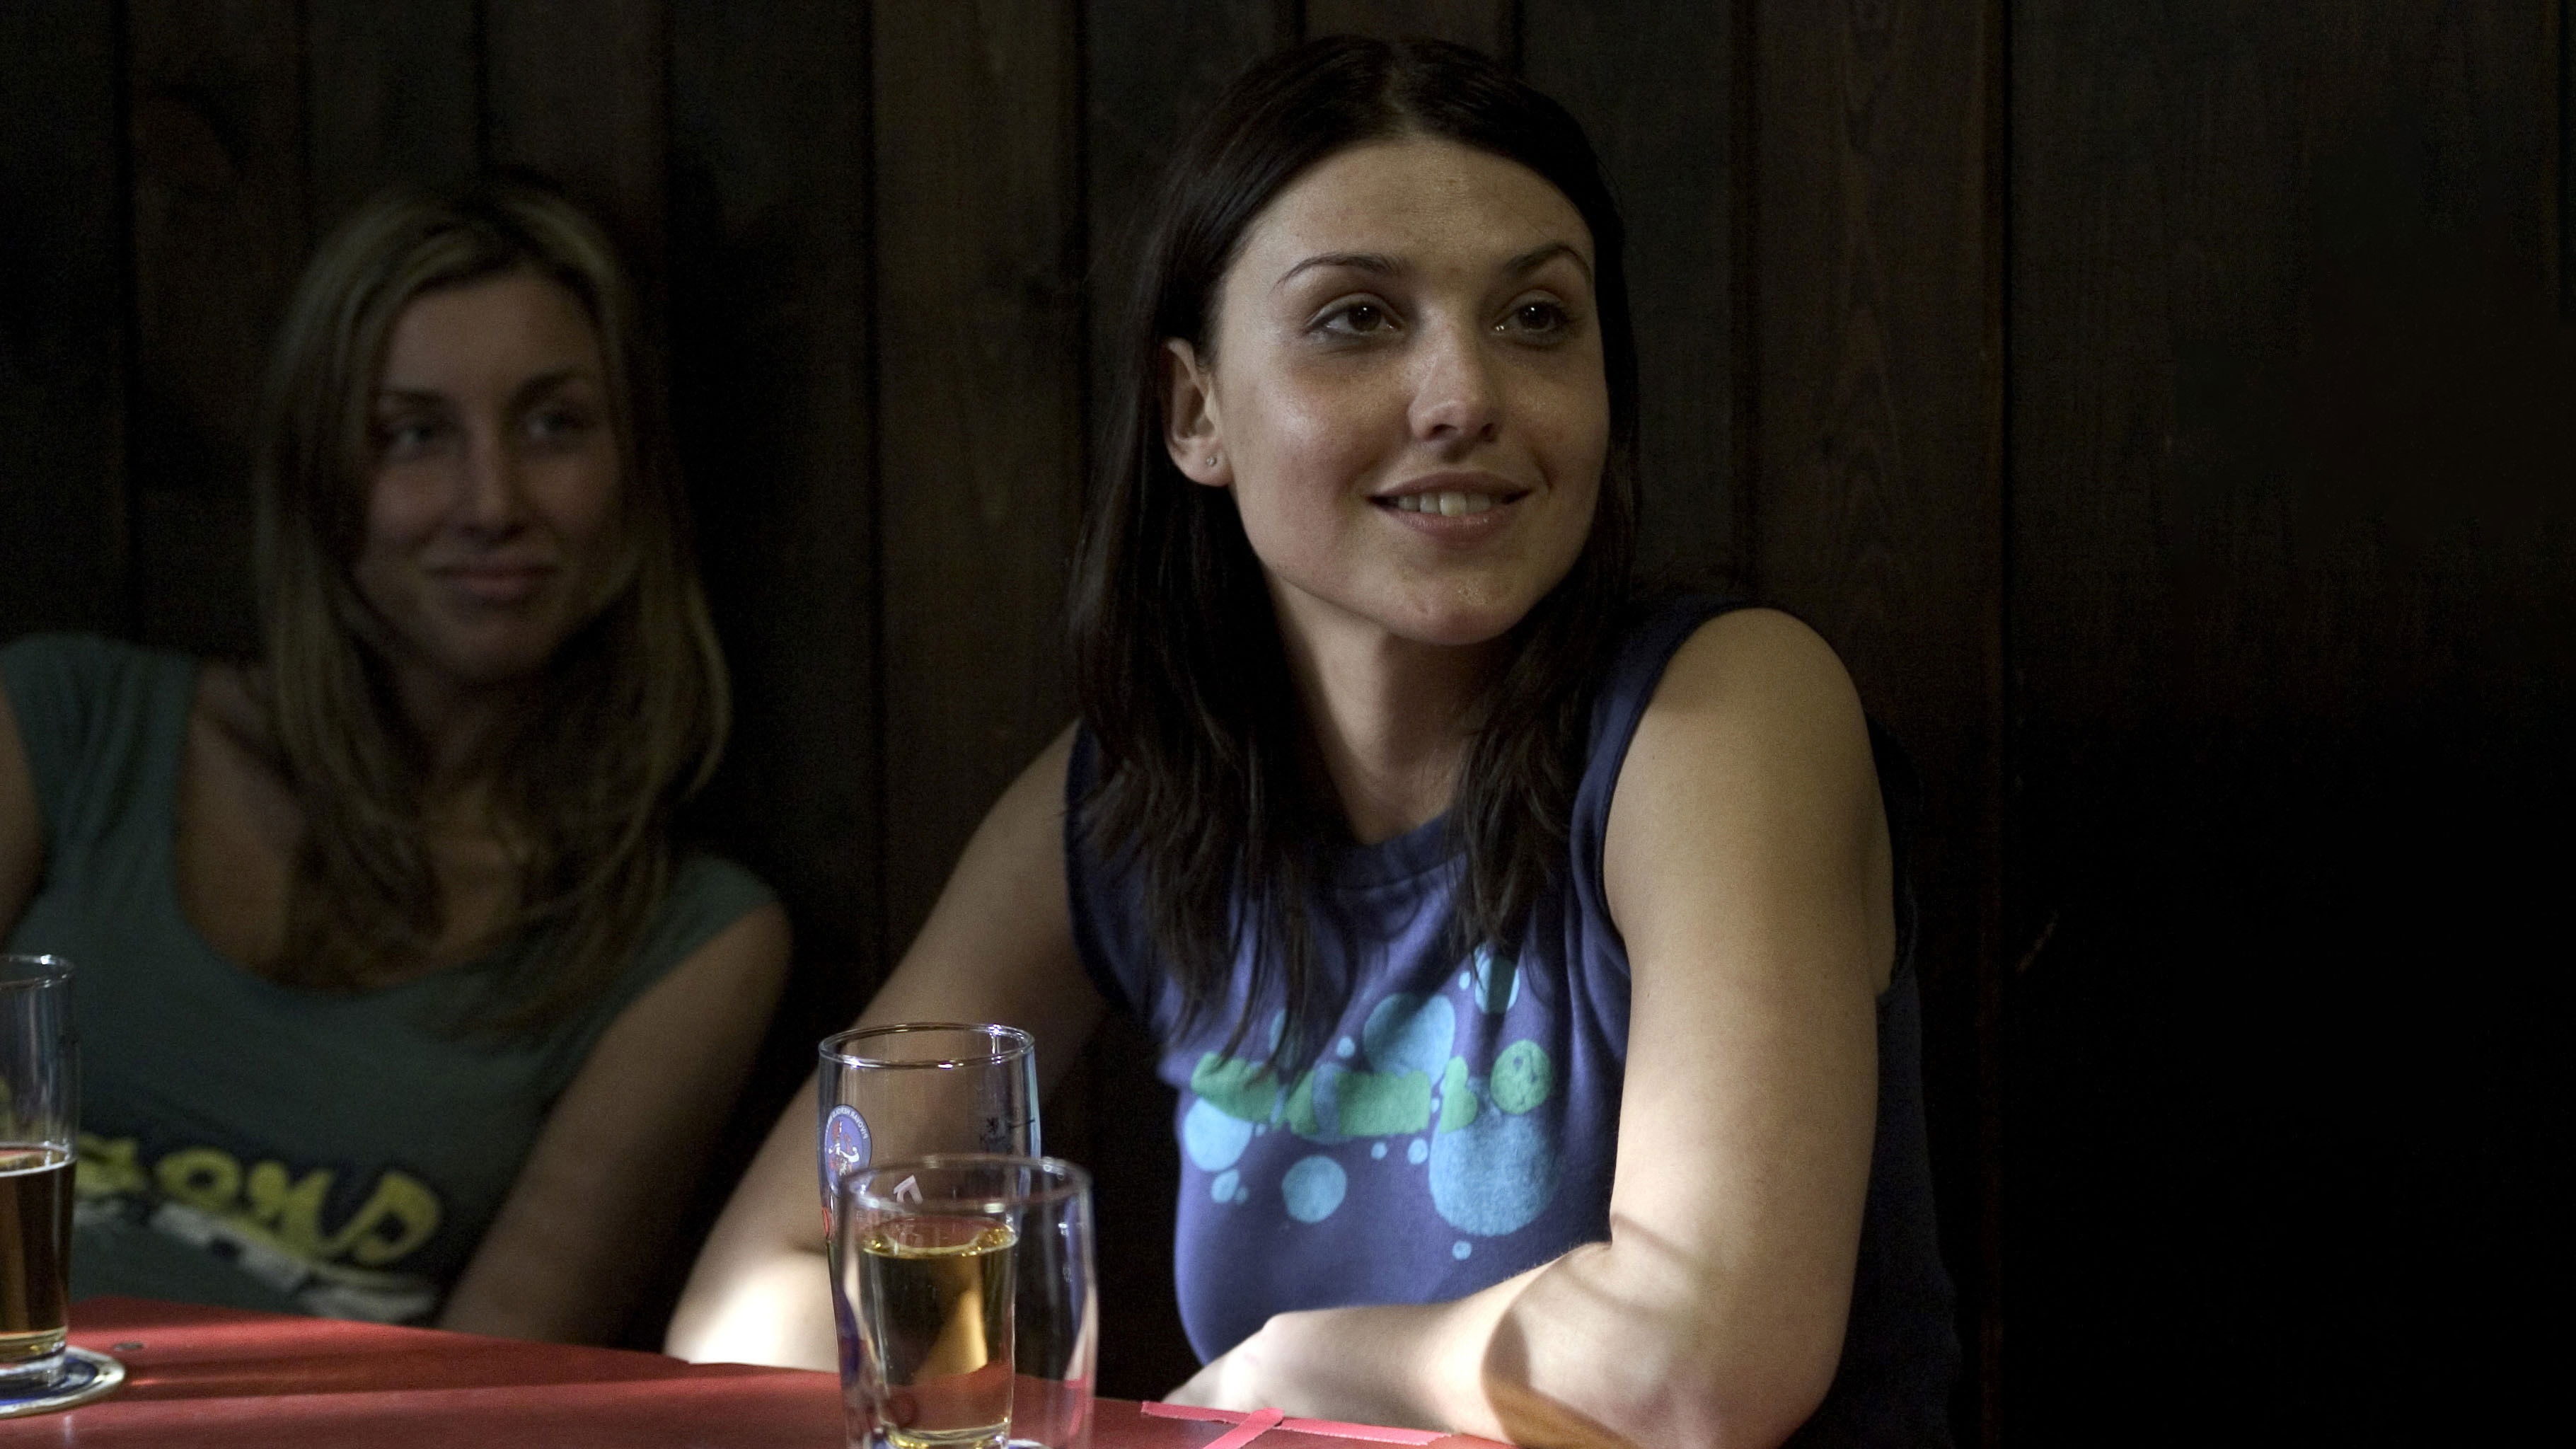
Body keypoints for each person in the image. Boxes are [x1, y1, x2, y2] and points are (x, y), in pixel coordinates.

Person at [670, 36, 1955, 1447]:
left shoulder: (1726, 713)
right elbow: (751, 1298)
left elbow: (1701, 1362)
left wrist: (1285, 1376)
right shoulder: (1128, 795)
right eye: (1357, 319)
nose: (1464, 394)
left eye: (1537, 316)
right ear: (1196, 412)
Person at [0, 180, 790, 1343]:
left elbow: (495, 1380)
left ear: (636, 469)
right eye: (414, 434)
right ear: (317, 472)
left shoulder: (689, 938)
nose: (492, 503)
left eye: (553, 425)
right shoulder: (65, 723)